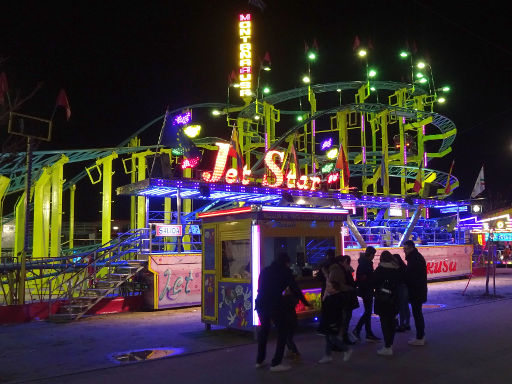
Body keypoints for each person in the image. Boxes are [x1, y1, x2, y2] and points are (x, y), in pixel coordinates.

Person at [255, 252, 310, 372]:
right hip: (275, 303)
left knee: (264, 331)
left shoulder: (266, 270)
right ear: (286, 262)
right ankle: (276, 363)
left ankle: (260, 360)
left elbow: (260, 286)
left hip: (260, 302)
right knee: (283, 331)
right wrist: (305, 303)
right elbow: (295, 288)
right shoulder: (285, 271)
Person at [318, 256, 353, 364]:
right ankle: (328, 355)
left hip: (332, 319)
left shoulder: (334, 296)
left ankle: (346, 349)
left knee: (331, 337)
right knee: (329, 337)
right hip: (330, 318)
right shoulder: (333, 274)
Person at [373, 251, 404, 356]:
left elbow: (374, 283)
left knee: (385, 322)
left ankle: (387, 346)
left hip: (382, 299)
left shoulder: (380, 269)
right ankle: (390, 344)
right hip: (394, 299)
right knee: (392, 322)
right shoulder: (396, 269)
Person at [352, 246, 381, 342]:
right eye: (373, 255)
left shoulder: (363, 263)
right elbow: (365, 278)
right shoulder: (366, 264)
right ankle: (358, 329)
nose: (374, 257)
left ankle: (367, 332)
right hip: (366, 290)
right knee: (368, 311)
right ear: (371, 254)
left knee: (368, 312)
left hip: (365, 290)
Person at [403, 240, 428, 346]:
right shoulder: (416, 257)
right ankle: (420, 335)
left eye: (405, 248)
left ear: (411, 248)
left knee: (417, 314)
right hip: (419, 289)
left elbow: (411, 276)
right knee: (418, 313)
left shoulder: (414, 259)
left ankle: (420, 337)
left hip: (416, 290)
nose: (404, 251)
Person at [339, 255, 359, 345]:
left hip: (347, 297)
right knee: (345, 318)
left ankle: (344, 336)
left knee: (346, 318)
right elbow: (345, 284)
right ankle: (343, 337)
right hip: (346, 297)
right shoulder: (343, 271)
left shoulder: (346, 270)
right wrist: (352, 288)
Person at [392, 253, 411, 332]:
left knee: (401, 306)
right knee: (405, 306)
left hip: (401, 287)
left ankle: (402, 324)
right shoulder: (404, 267)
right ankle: (407, 323)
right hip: (405, 287)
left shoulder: (397, 268)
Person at [282, 286, 301, 360]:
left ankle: (295, 352)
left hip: (287, 320)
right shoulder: (293, 298)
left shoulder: (285, 299)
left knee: (288, 338)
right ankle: (291, 351)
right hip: (293, 319)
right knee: (288, 337)